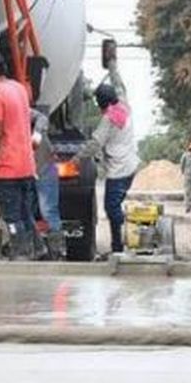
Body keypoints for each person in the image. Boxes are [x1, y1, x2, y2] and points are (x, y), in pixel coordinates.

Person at [0, 51, 39, 260]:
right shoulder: (19, 89)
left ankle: (20, 251)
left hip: (7, 167)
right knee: (25, 212)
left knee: (12, 215)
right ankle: (37, 248)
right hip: (27, 165)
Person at [78, 61, 140, 257]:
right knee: (115, 206)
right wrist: (112, 66)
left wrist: (74, 159)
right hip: (130, 165)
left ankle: (119, 246)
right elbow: (120, 85)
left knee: (111, 208)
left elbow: (95, 143)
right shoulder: (123, 106)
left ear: (101, 104)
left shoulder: (108, 119)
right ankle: (119, 244)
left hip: (118, 170)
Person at [30, 107, 65, 260]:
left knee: (48, 210)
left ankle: (57, 252)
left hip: (44, 166)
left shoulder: (19, 110)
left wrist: (36, 134)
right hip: (24, 170)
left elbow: (42, 118)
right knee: (26, 212)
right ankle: (35, 250)